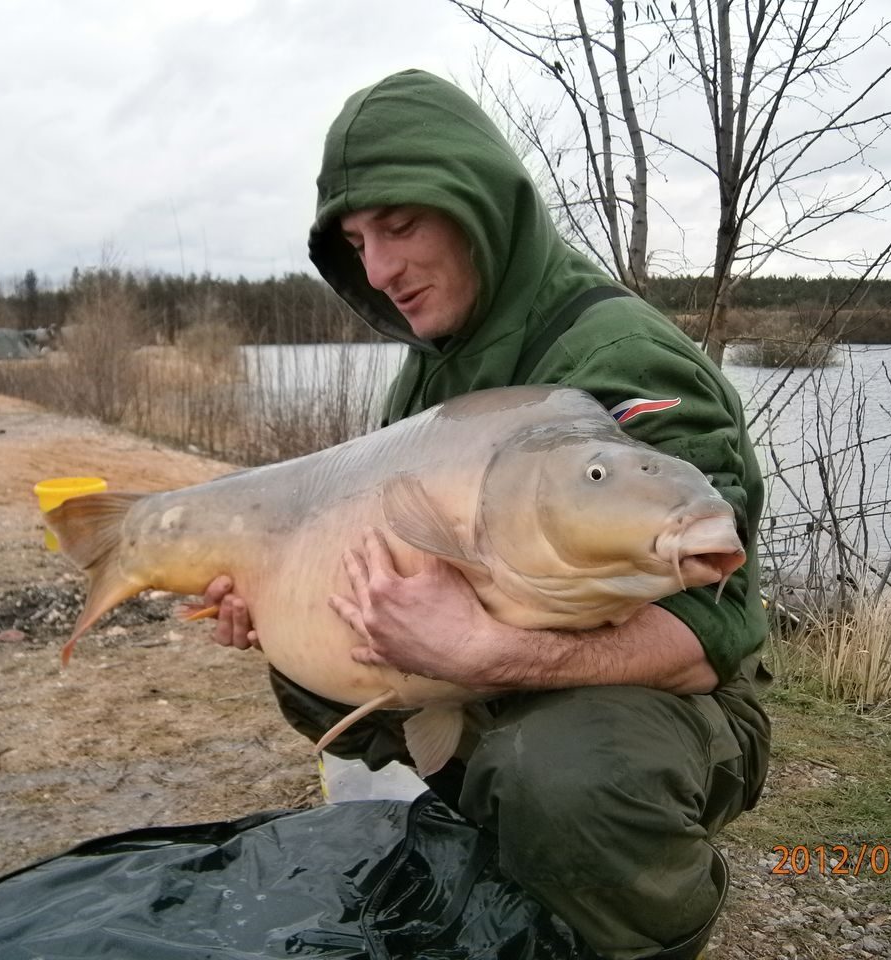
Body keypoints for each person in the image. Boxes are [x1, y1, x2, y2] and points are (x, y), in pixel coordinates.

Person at [204, 69, 770, 960]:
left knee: (562, 776)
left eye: (400, 224)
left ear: (477, 203)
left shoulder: (618, 356)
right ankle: (502, 844)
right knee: (308, 667)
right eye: (357, 240)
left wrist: (484, 653)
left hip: (667, 697)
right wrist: (272, 600)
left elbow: (713, 628)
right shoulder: (430, 370)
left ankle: (645, 925)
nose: (380, 270)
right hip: (494, 673)